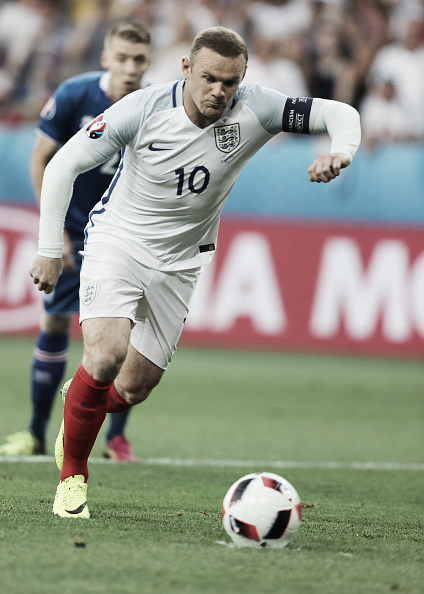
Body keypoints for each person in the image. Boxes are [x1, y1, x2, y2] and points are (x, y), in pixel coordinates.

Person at [29, 26, 361, 518]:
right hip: (117, 242)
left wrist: (343, 149)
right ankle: (72, 474)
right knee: (106, 354)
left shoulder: (257, 107)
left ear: (242, 78)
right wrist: (48, 248)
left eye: (230, 82)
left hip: (182, 261)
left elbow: (340, 112)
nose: (219, 92)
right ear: (186, 69)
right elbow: (62, 165)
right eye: (209, 79)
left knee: (135, 387)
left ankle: (79, 407)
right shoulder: (141, 109)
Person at [0, 20, 151, 462]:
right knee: (54, 324)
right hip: (73, 234)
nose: (129, 67)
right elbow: (41, 161)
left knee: (124, 339)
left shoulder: (156, 106)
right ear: (105, 57)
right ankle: (34, 431)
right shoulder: (73, 95)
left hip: (125, 241)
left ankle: (114, 439)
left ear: (148, 64)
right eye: (121, 58)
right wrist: (56, 232)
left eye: (138, 60)